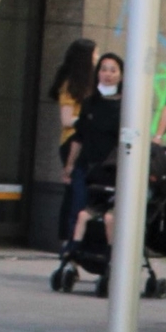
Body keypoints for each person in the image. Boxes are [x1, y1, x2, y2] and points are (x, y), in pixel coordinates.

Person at [62, 50, 124, 252]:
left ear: (121, 75)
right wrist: (70, 164)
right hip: (85, 166)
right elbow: (79, 137)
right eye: (104, 69)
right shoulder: (89, 103)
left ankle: (105, 255)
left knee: (105, 214)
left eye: (113, 70)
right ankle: (72, 255)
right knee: (78, 209)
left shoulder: (125, 105)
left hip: (110, 169)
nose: (108, 74)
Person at [45, 38, 97, 244]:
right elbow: (66, 119)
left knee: (79, 191)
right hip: (71, 141)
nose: (97, 58)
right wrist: (87, 119)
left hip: (86, 140)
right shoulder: (70, 85)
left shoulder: (91, 84)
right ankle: (66, 238)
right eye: (94, 53)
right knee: (72, 191)